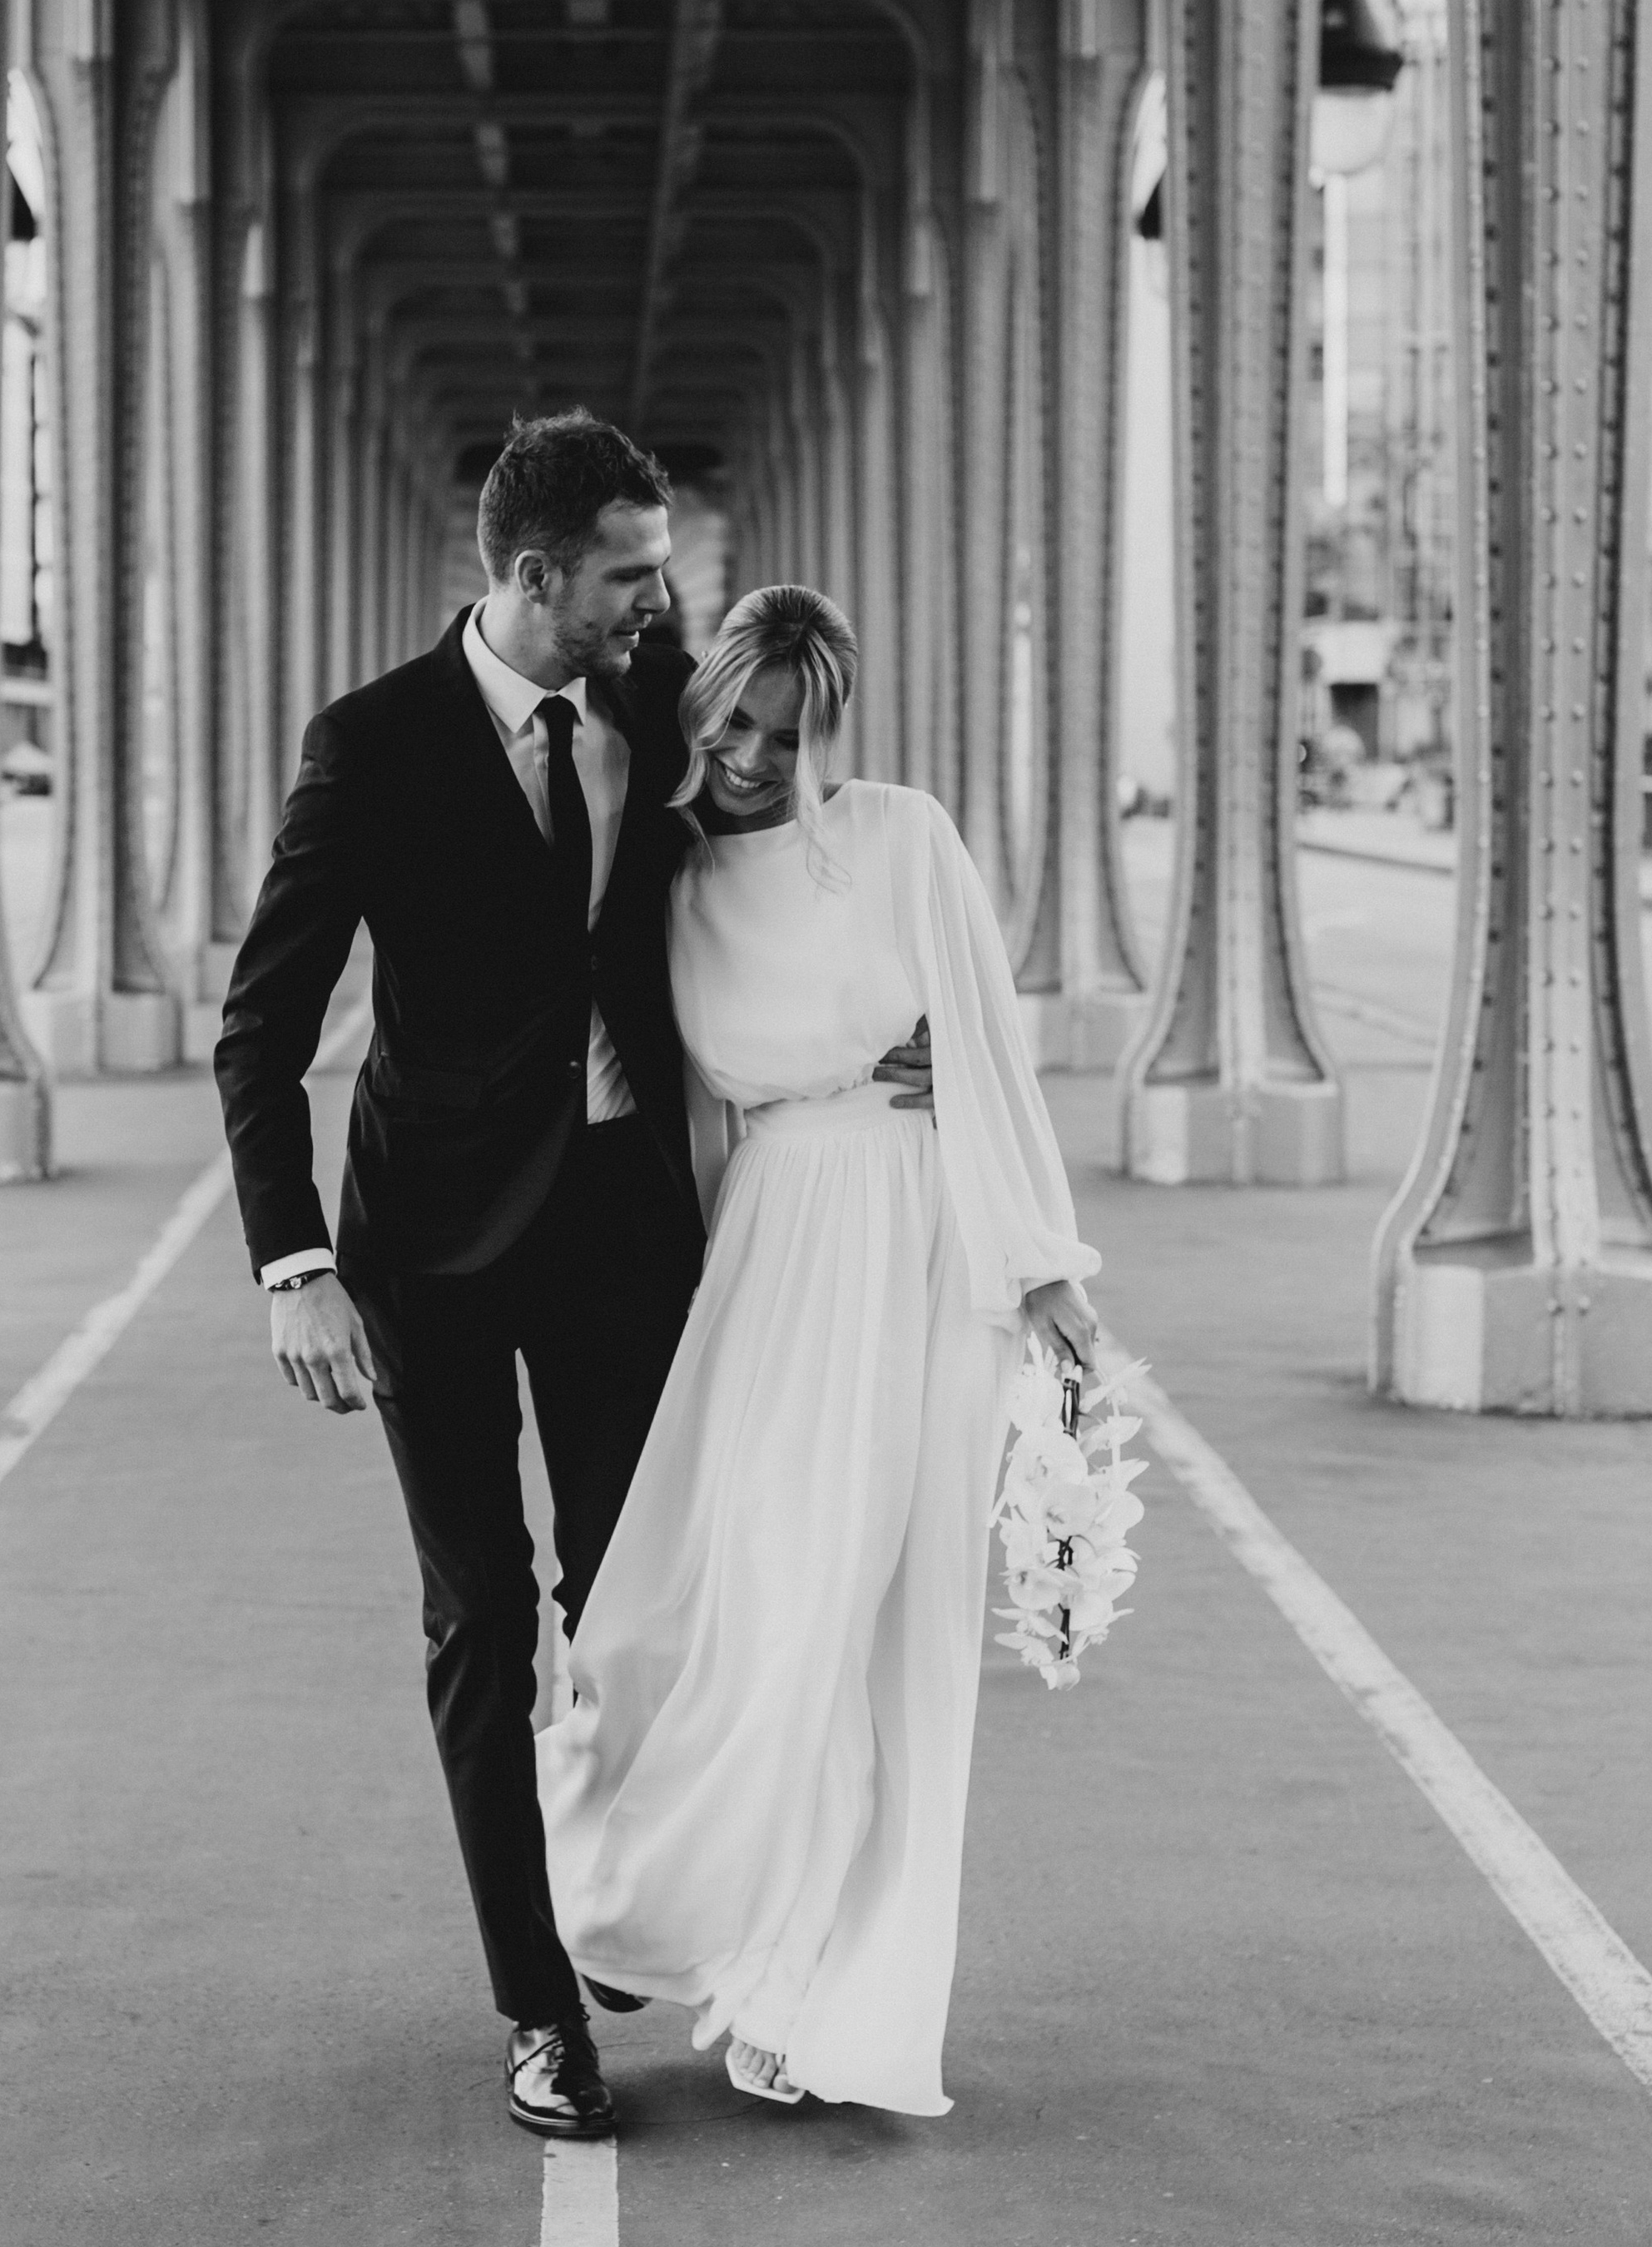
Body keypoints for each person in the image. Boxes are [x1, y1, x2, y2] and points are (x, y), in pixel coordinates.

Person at [214, 419, 935, 2141]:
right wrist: (292, 1261)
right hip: (427, 1254)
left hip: (618, 1230)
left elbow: (788, 828)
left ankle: (615, 1887)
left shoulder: (658, 694)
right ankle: (539, 2005)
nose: (656, 595)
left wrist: (890, 1036)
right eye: (628, 570)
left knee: (649, 1597)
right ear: (534, 576)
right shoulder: (371, 746)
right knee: (483, 1621)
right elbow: (262, 1023)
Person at [537, 585, 1099, 2116]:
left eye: (788, 735)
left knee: (877, 1629)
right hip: (771, 1260)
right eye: (733, 722)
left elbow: (984, 1049)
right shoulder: (669, 884)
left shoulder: (906, 838)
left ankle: (816, 1993)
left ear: (828, 730)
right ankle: (669, 1899)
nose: (753, 757)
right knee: (751, 1610)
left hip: (915, 1249)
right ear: (700, 702)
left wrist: (1043, 1274)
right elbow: (694, 1119)